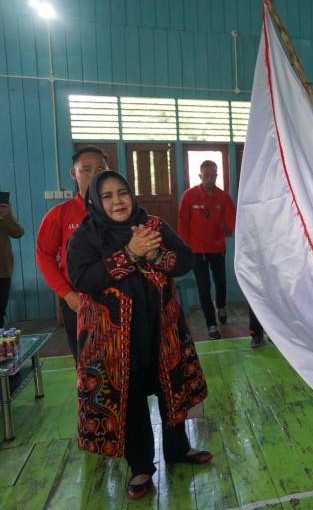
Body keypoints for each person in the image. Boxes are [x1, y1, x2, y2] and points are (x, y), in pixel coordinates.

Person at [67, 170, 211, 500]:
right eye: (107, 196)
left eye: (123, 193)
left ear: (132, 195)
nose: (117, 201)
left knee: (170, 390)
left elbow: (186, 259)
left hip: (161, 333)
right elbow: (83, 280)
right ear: (95, 202)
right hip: (114, 344)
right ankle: (141, 467)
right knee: (128, 401)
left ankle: (178, 449)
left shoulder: (154, 226)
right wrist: (130, 254)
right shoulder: (87, 236)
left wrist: (157, 255)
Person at [36, 146, 108, 362]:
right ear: (73, 173)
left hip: (118, 296)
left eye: (100, 170)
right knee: (87, 364)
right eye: (86, 169)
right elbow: (44, 256)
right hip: (78, 299)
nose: (94, 175)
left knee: (123, 363)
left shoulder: (118, 210)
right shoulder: (59, 214)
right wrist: (67, 295)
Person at [178, 160, 236, 339]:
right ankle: (211, 324)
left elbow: (232, 220)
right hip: (196, 250)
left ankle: (221, 305)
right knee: (204, 286)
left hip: (217, 248)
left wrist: (243, 237)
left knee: (221, 282)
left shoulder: (223, 197)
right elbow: (182, 222)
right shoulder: (189, 195)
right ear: (200, 176)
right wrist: (185, 246)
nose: (210, 179)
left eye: (213, 175)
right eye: (206, 175)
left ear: (217, 176)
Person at [0, 198, 25, 328]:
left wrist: (7, 215)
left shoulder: (3, 217)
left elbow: (18, 233)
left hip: (3, 270)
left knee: (0, 311)